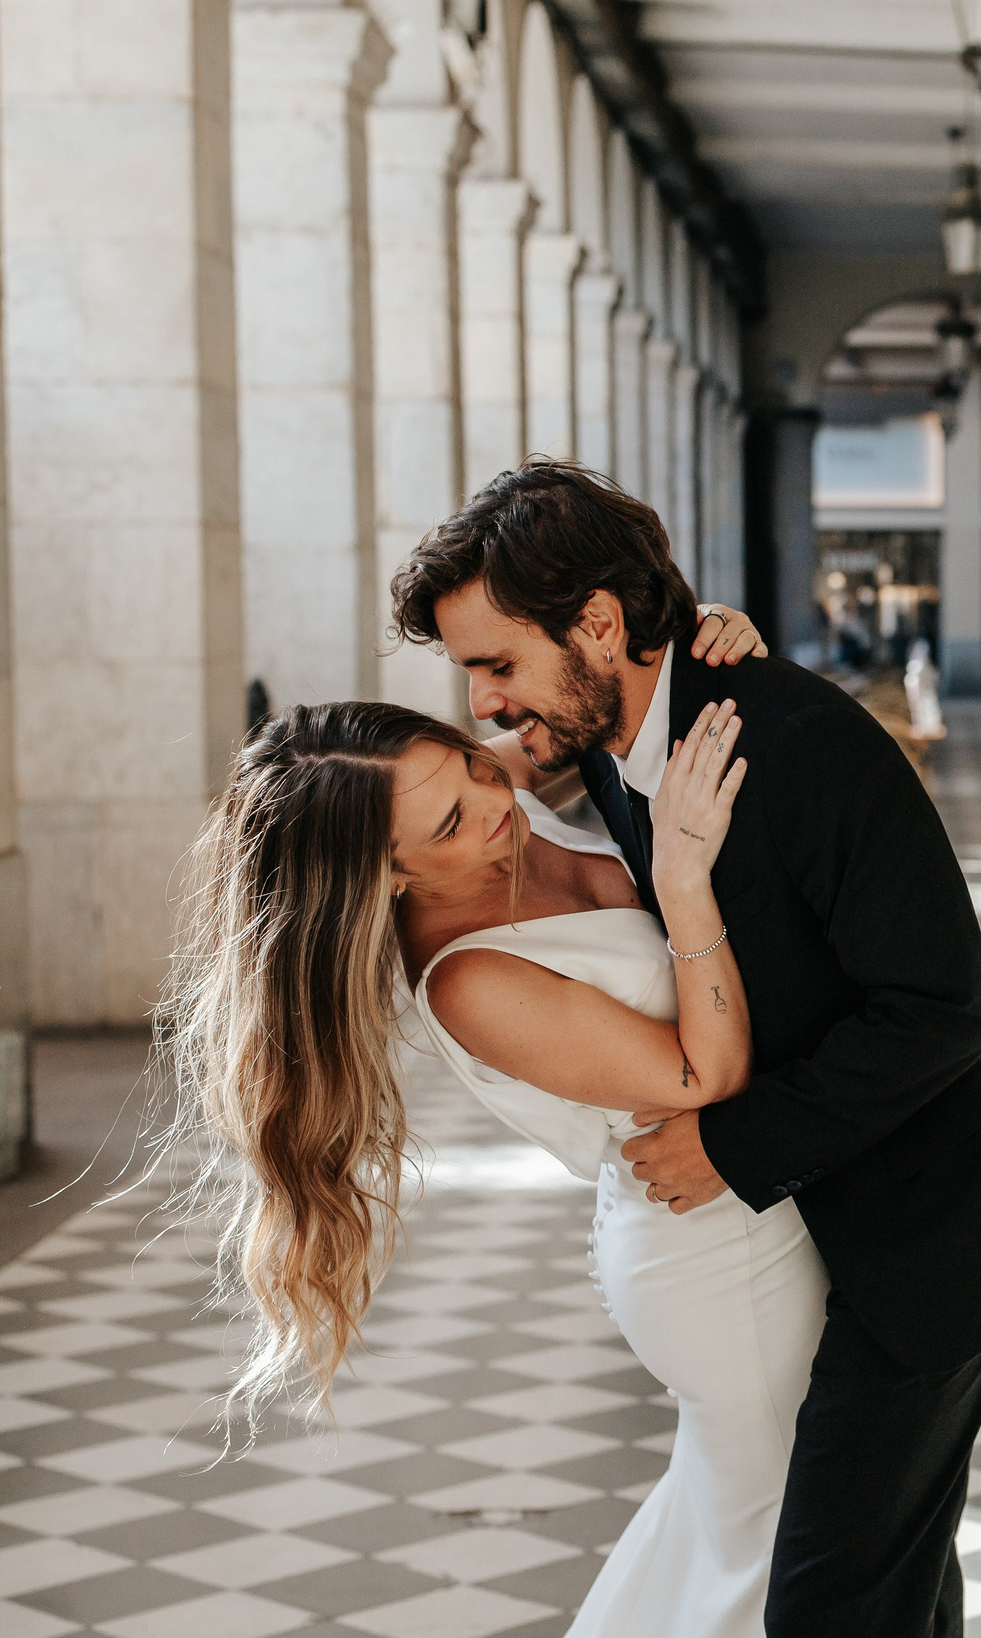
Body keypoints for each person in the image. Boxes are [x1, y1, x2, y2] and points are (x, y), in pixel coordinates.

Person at [389, 458, 981, 1636]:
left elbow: (943, 1009)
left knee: (826, 1606)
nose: (488, 704)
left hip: (931, 1229)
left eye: (497, 665)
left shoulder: (801, 743)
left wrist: (733, 1144)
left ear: (596, 624)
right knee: (895, 1586)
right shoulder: (607, 730)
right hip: (821, 1235)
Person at [159, 602, 808, 1637]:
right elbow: (708, 1071)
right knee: (777, 1540)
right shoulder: (469, 983)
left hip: (759, 1193)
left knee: (746, 1528)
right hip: (713, 1256)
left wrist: (703, 644)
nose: (492, 801)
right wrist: (682, 879)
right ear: (387, 877)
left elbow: (599, 705)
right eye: (449, 826)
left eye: (467, 766)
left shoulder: (482, 790)